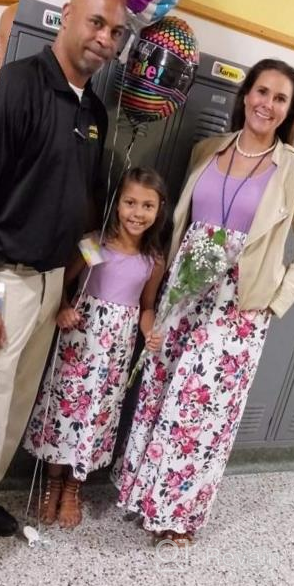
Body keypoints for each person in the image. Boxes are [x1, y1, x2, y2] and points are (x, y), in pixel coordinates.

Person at [115, 59, 294, 545]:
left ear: (289, 109)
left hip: (238, 308)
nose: (268, 104)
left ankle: (179, 517)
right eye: (262, 92)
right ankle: (142, 495)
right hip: (183, 289)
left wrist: (274, 299)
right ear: (246, 96)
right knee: (160, 392)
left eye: (280, 98)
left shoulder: (291, 169)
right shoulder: (208, 149)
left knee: (202, 409)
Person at [0, 0, 126, 537]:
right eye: (97, 23)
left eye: (117, 32)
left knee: (14, 409)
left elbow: (84, 216)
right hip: (7, 279)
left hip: (53, 283)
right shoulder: (16, 86)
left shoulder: (93, 113)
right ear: (68, 15)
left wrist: (79, 277)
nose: (105, 38)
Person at [24, 167, 167, 529]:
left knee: (94, 419)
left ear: (159, 210)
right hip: (79, 347)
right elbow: (62, 285)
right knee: (64, 413)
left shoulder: (154, 261)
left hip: (115, 357)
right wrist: (63, 308)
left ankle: (74, 486)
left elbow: (147, 307)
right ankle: (53, 483)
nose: (138, 213)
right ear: (116, 204)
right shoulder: (93, 243)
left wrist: (151, 332)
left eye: (147, 206)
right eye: (130, 203)